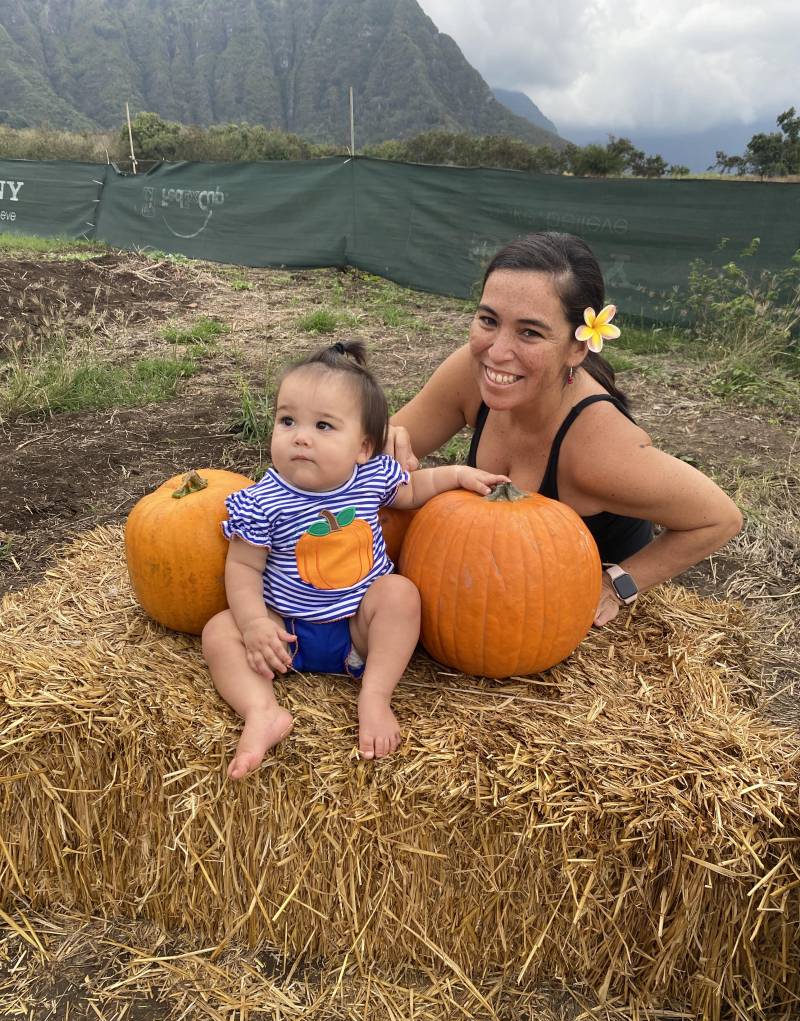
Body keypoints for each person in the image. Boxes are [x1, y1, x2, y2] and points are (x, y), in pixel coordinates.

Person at [386, 232, 743, 626]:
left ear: (577, 348)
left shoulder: (599, 451)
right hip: (488, 575)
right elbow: (374, 451)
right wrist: (385, 442)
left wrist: (617, 583)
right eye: (489, 320)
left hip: (554, 608)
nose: (497, 351)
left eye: (530, 332)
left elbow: (719, 518)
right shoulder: (471, 374)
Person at [202, 341, 507, 778]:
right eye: (287, 421)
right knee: (218, 631)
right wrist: (253, 626)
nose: (300, 436)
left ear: (363, 447)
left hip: (355, 631)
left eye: (324, 426)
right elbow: (244, 568)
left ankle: (375, 694)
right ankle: (261, 710)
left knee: (400, 594)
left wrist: (457, 475)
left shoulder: (371, 477)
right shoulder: (260, 500)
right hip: (284, 635)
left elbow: (414, 490)